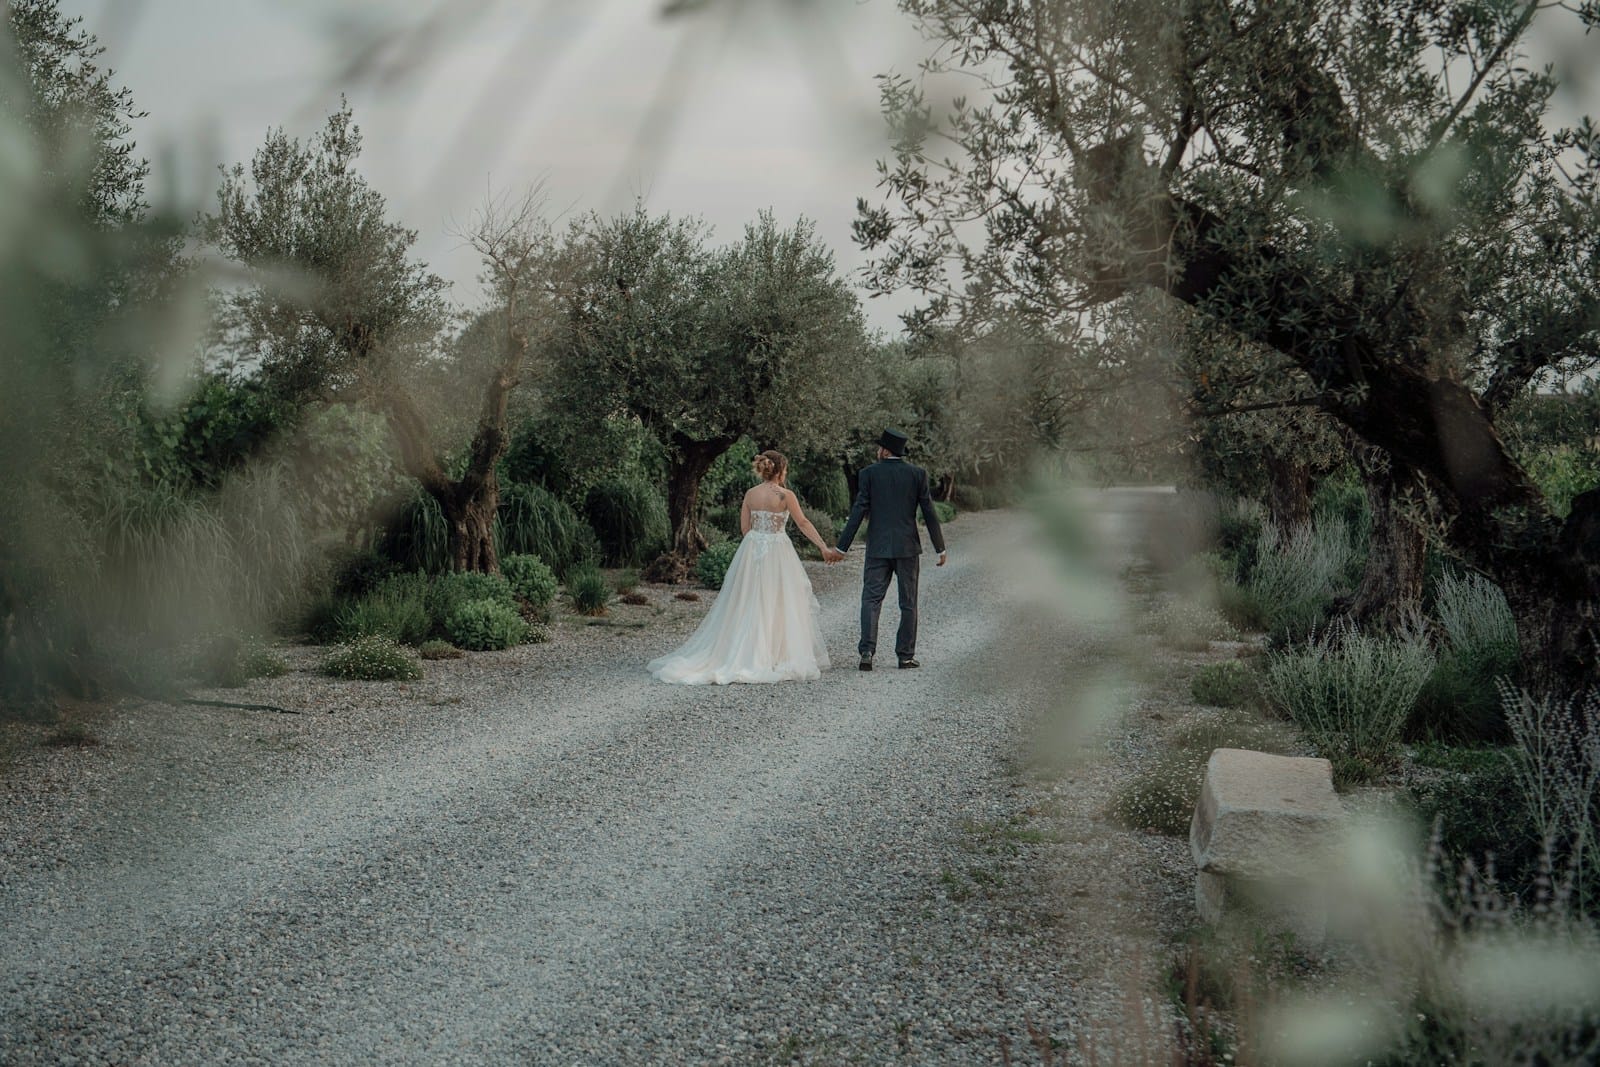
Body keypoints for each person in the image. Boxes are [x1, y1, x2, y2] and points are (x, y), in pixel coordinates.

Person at [648, 449, 842, 685]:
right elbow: (803, 522)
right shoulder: (785, 495)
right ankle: (771, 653)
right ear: (780, 470)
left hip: (752, 549)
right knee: (777, 599)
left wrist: (757, 543)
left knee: (748, 599)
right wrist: (823, 547)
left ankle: (742, 649)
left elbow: (744, 529)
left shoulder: (750, 494)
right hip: (778, 550)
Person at [835, 428, 946, 670]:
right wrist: (940, 548)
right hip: (907, 548)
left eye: (879, 447)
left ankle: (867, 652)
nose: (877, 451)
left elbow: (858, 511)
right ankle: (905, 656)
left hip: (878, 547)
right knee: (908, 602)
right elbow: (929, 512)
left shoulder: (868, 474)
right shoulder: (917, 475)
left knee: (871, 599)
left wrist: (842, 547)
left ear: (885, 450)